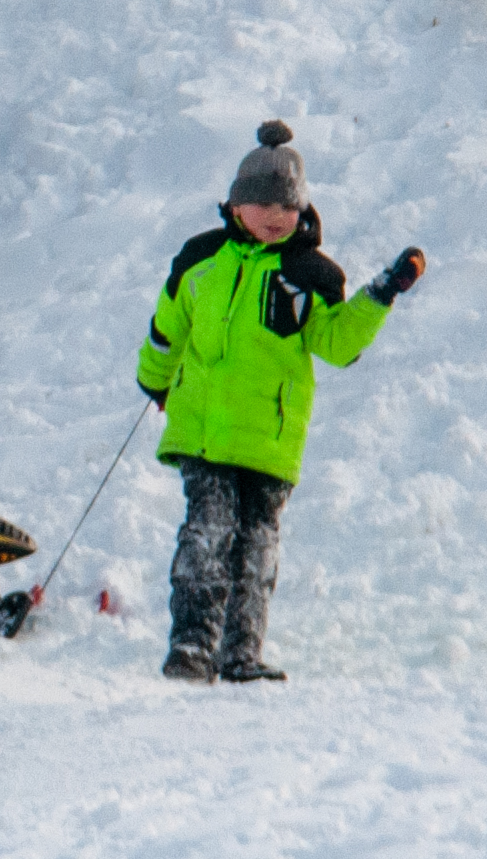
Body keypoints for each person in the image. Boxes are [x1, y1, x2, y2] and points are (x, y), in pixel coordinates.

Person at [134, 121, 420, 683]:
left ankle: (241, 653)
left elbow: (337, 344)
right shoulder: (200, 259)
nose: (274, 215)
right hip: (205, 434)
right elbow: (168, 329)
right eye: (262, 203)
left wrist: (380, 294)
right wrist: (155, 383)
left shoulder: (309, 274)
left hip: (269, 440)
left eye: (287, 206)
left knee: (256, 548)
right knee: (207, 535)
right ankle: (192, 646)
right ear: (236, 204)